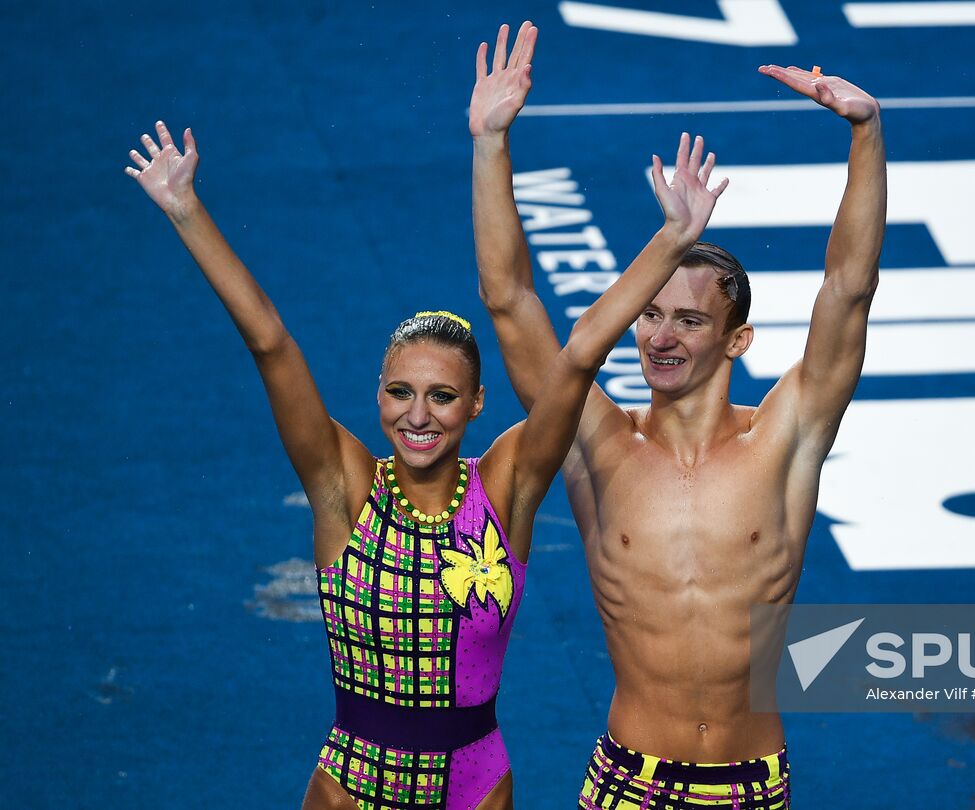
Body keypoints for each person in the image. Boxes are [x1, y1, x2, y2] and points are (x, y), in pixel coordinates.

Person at [124, 64, 730, 810]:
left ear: (476, 404)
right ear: (377, 398)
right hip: (349, 789)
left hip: (476, 790)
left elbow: (576, 358)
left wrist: (671, 241)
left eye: (442, 396)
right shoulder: (341, 484)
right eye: (401, 393)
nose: (419, 415)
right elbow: (272, 343)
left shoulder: (506, 484)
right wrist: (186, 209)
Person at [471, 21, 887, 809]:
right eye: (649, 315)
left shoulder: (785, 439)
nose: (659, 337)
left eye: (689, 322)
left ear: (738, 342)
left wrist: (865, 135)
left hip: (751, 786)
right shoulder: (595, 440)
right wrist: (491, 145)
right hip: (631, 783)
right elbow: (510, 300)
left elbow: (847, 291)